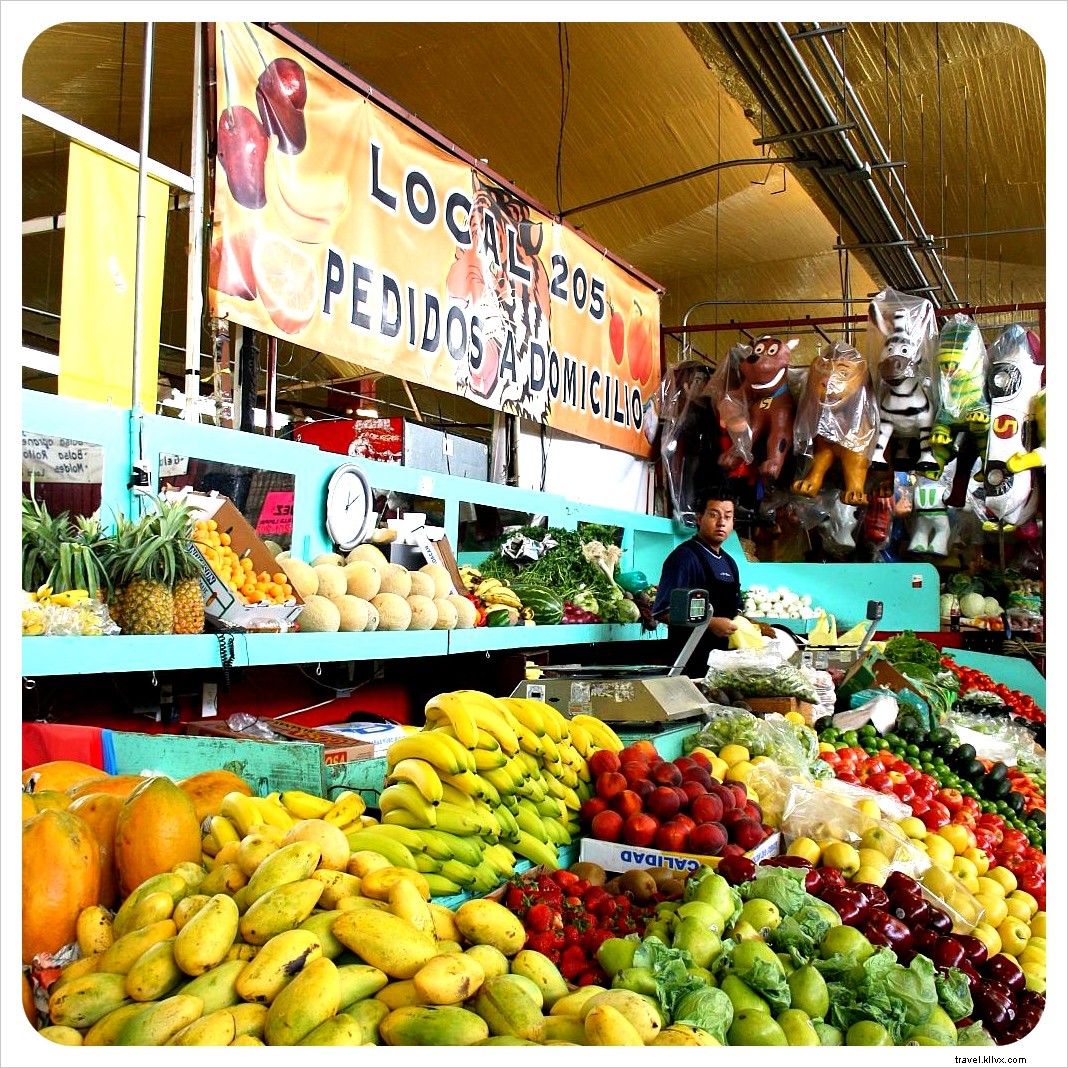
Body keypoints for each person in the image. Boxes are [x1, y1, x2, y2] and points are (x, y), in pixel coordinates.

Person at [653, 492, 741, 679]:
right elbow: (662, 611)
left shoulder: (730, 563)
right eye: (714, 514)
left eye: (727, 516)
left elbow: (736, 610)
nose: (721, 522)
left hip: (721, 669)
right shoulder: (684, 558)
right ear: (700, 518)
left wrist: (753, 625)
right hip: (689, 668)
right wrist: (710, 623)